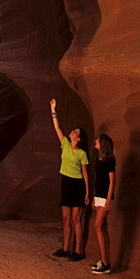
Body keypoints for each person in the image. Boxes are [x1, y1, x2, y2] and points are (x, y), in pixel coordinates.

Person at [49, 98, 89, 261]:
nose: (73, 132)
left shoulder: (82, 154)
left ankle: (78, 251)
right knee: (65, 219)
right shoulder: (65, 144)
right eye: (73, 131)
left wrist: (87, 192)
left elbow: (85, 173)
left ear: (79, 139)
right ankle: (66, 248)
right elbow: (57, 127)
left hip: (77, 184)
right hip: (66, 183)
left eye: (76, 132)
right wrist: (53, 110)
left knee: (76, 219)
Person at [90, 133, 116, 274]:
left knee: (97, 226)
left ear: (103, 144)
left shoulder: (109, 161)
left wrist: (108, 199)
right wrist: (95, 197)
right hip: (99, 196)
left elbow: (112, 181)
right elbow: (98, 180)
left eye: (98, 141)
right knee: (103, 229)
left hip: (105, 197)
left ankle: (105, 263)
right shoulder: (99, 159)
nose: (95, 142)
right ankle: (105, 261)